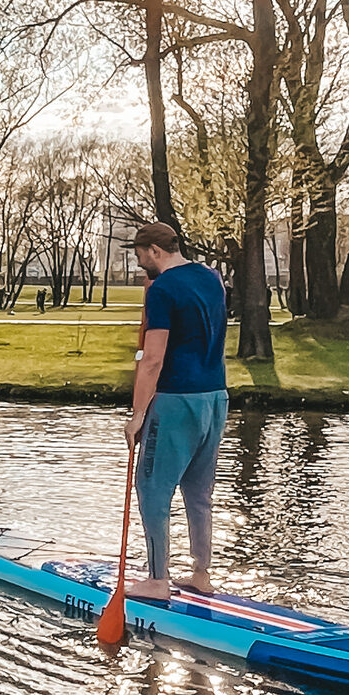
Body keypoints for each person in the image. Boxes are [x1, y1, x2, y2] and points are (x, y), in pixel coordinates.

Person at [123, 221, 227, 600]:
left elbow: (152, 360)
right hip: (215, 397)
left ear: (154, 250)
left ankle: (156, 580)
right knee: (199, 493)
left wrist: (137, 416)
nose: (140, 265)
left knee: (152, 488)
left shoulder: (163, 288)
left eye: (139, 256)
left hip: (175, 400)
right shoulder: (212, 278)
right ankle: (201, 574)